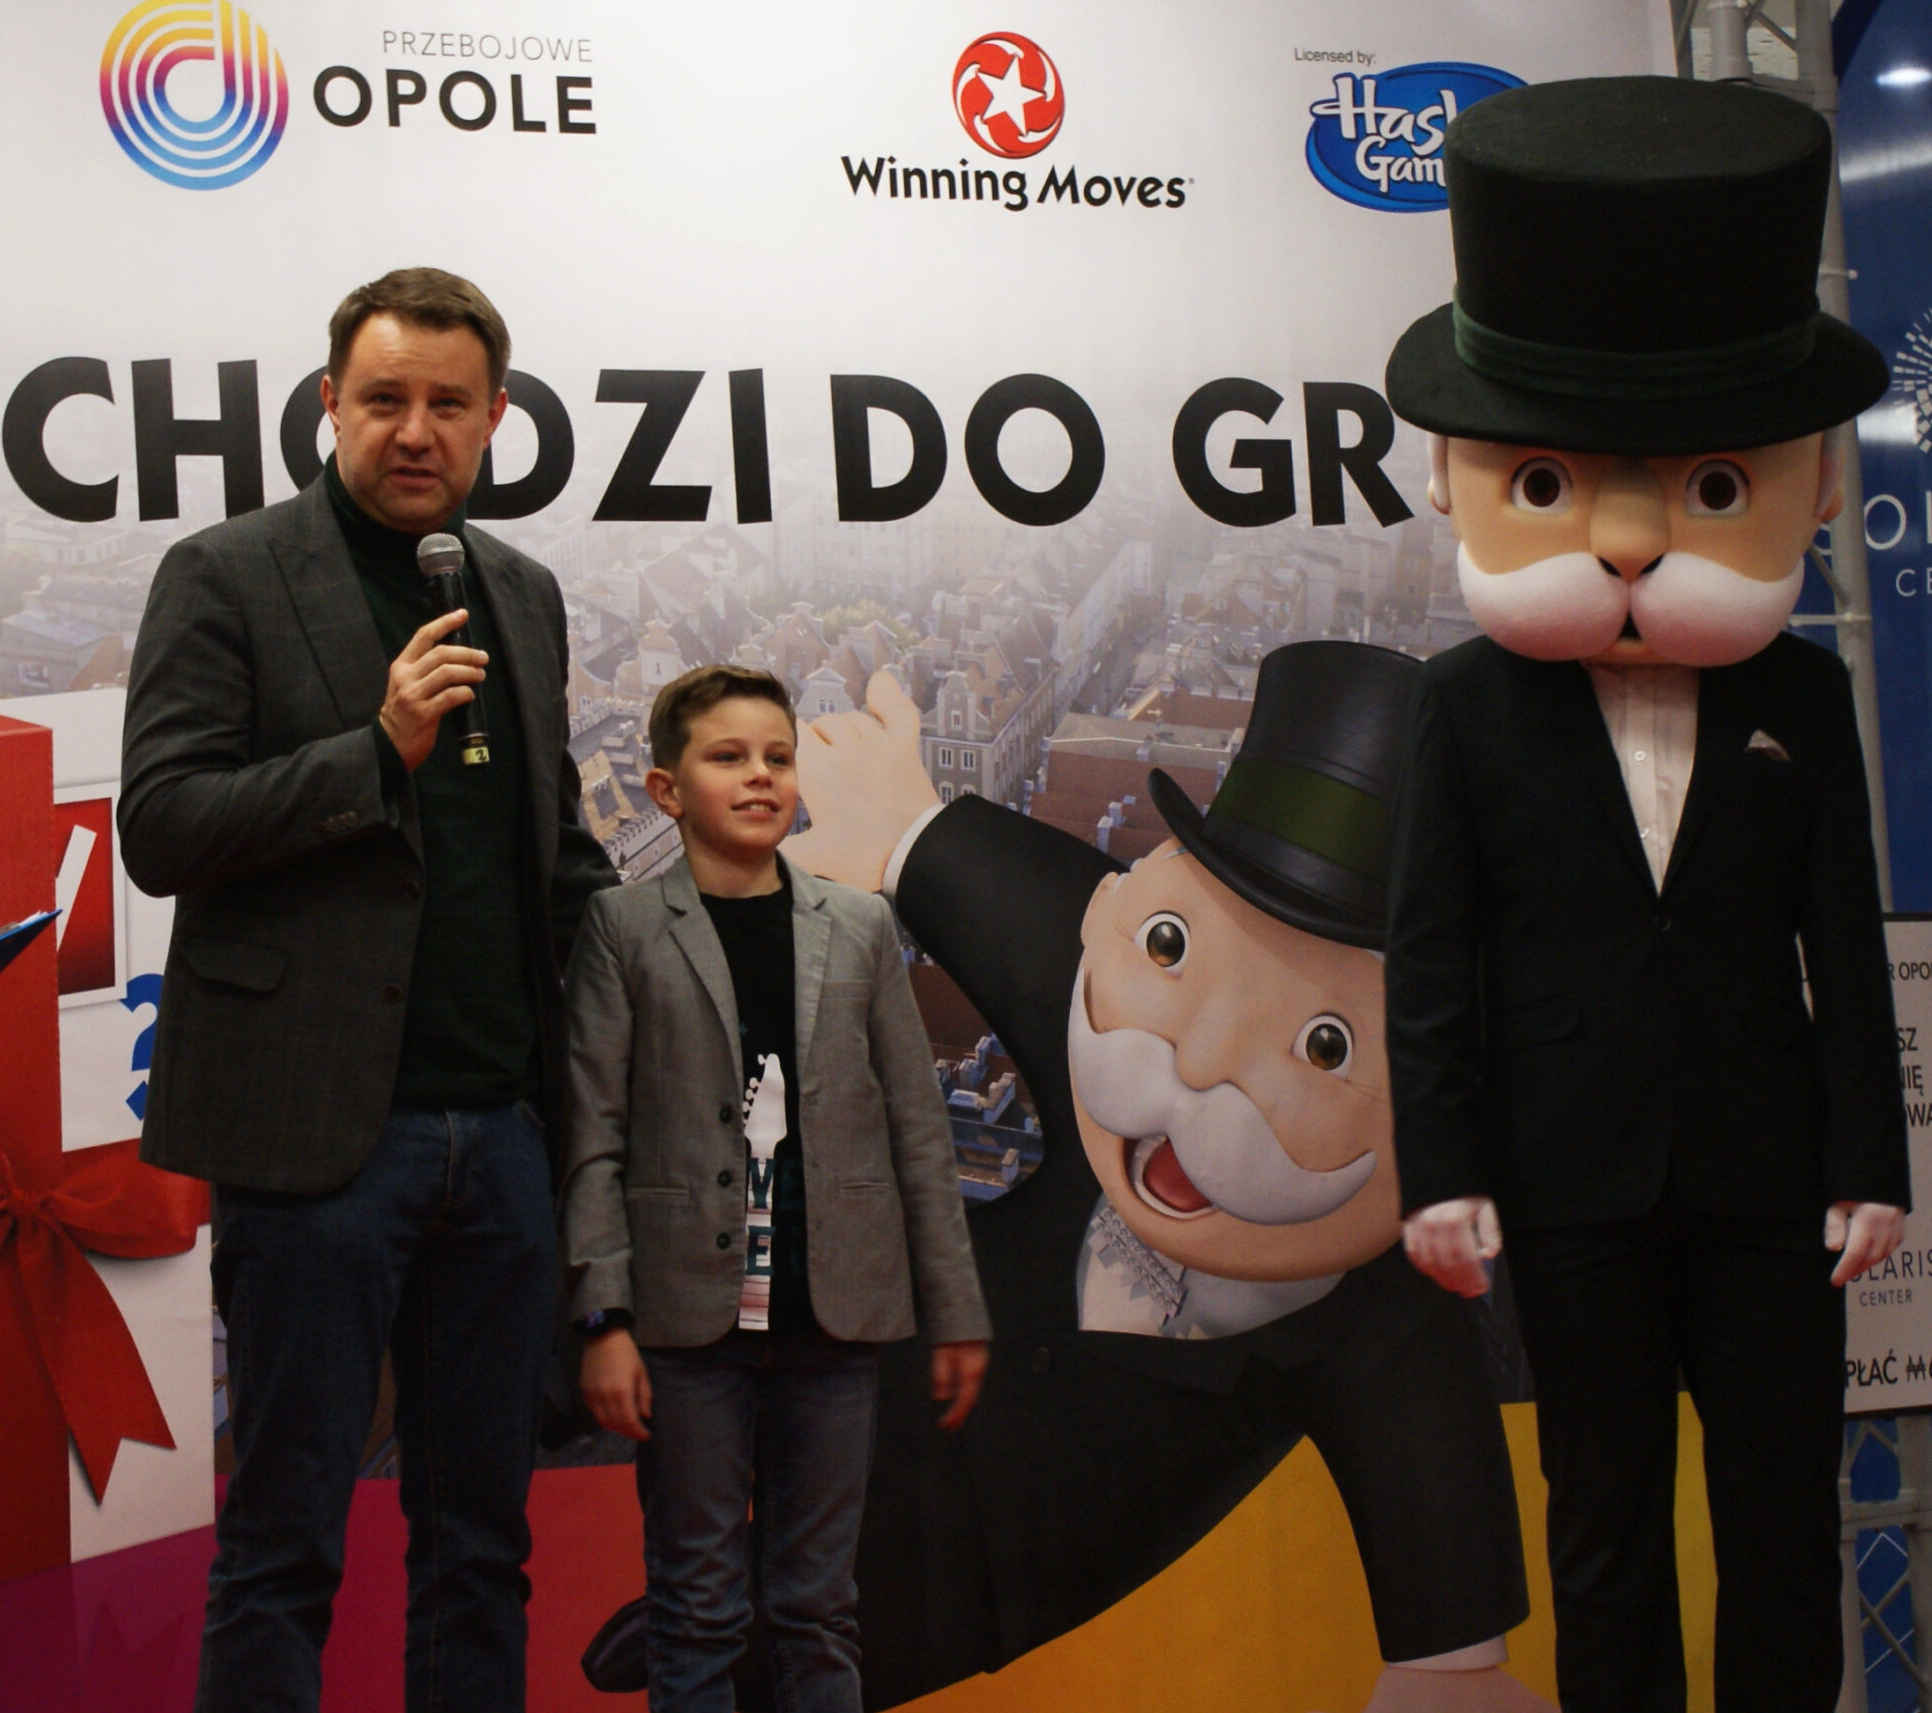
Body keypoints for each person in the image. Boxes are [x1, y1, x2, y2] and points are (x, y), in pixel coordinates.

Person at [655, 643, 1531, 1713]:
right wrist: (900, 828)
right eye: (1169, 944)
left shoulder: (1385, 1320)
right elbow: (1019, 900)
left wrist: (1450, 1670)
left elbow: (1435, 1505)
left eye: (1327, 1047)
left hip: (990, 1570)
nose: (1196, 1068)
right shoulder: (1096, 968)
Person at [1381, 77, 1908, 1713]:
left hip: (1771, 1185)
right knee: (1601, 1526)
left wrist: (1870, 1159)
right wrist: (1444, 1166)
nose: (1621, 535)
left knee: (1782, 1522)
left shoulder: (1805, 696)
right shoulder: (1462, 704)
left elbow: (1842, 937)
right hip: (1569, 1179)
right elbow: (1430, 953)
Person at [119, 266, 616, 1712]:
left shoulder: (519, 593)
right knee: (284, 1542)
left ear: (495, 418)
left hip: (502, 1140)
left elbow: (554, 854)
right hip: (316, 1146)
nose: (415, 431)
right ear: (329, 403)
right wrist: (372, 750)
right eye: (385, 398)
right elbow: (162, 826)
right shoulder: (225, 574)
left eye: (448, 405)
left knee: (482, 1546)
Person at [560, 664, 990, 1712]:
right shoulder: (623, 928)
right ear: (666, 790)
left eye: (778, 757)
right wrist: (604, 1318)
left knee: (820, 1606)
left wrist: (956, 1309)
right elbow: (592, 1136)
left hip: (832, 1324)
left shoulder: (859, 926)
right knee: (695, 1606)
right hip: (685, 1330)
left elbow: (916, 1130)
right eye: (728, 757)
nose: (760, 776)